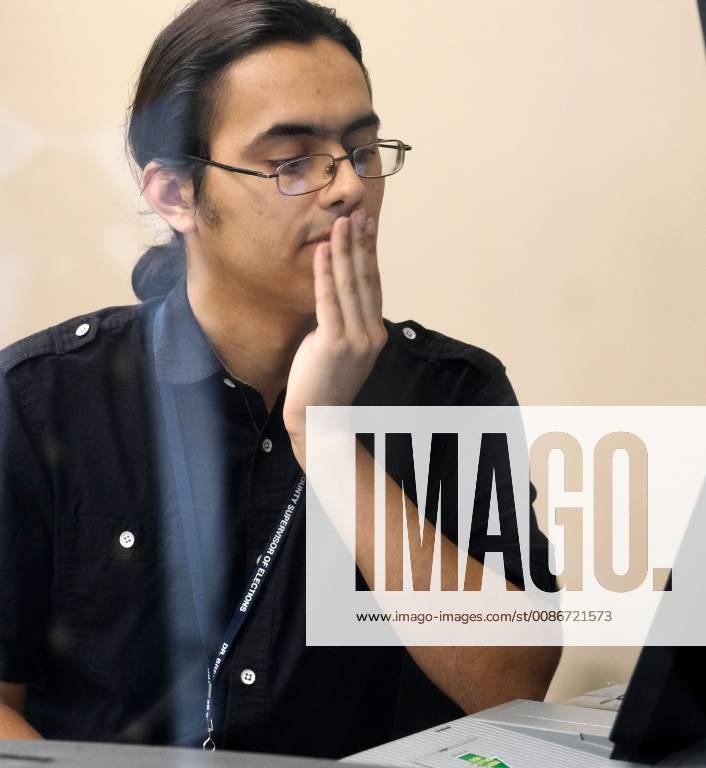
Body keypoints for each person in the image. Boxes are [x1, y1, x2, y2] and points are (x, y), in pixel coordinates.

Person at [0, 0, 561, 755]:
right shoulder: (45, 400)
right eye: (292, 161)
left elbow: (513, 685)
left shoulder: (451, 390)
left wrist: (326, 437)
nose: (348, 188)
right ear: (175, 195)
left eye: (362, 150)